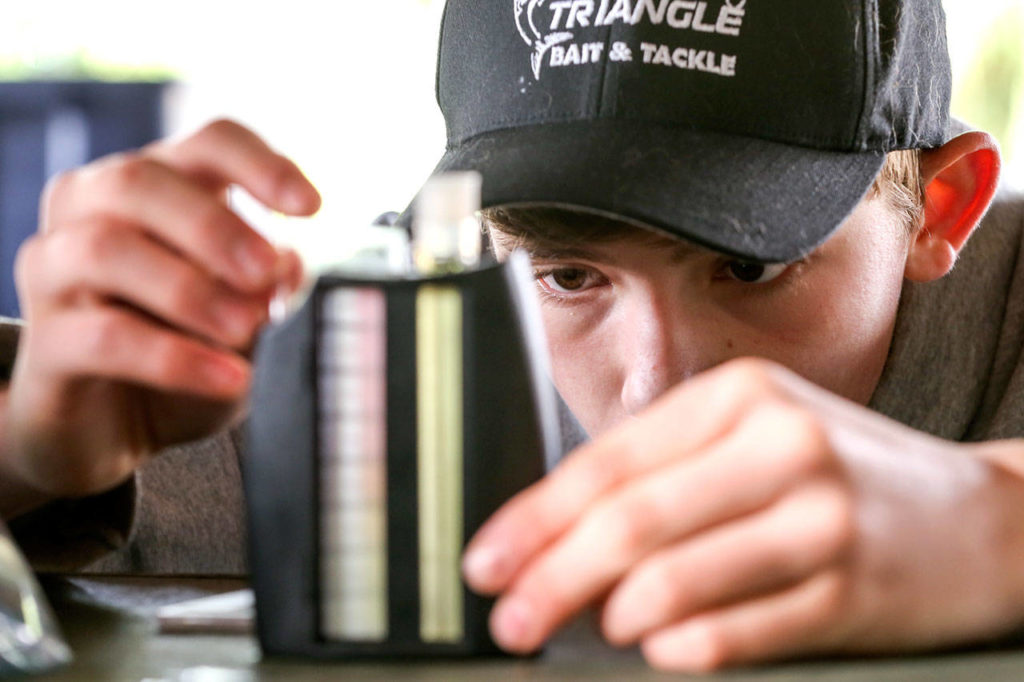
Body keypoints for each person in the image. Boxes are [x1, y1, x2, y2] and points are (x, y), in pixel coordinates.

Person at [2, 0, 1024, 672]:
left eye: (750, 266)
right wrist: (28, 449)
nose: (657, 392)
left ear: (941, 207)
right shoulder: (420, 339)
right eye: (571, 275)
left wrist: (995, 524)